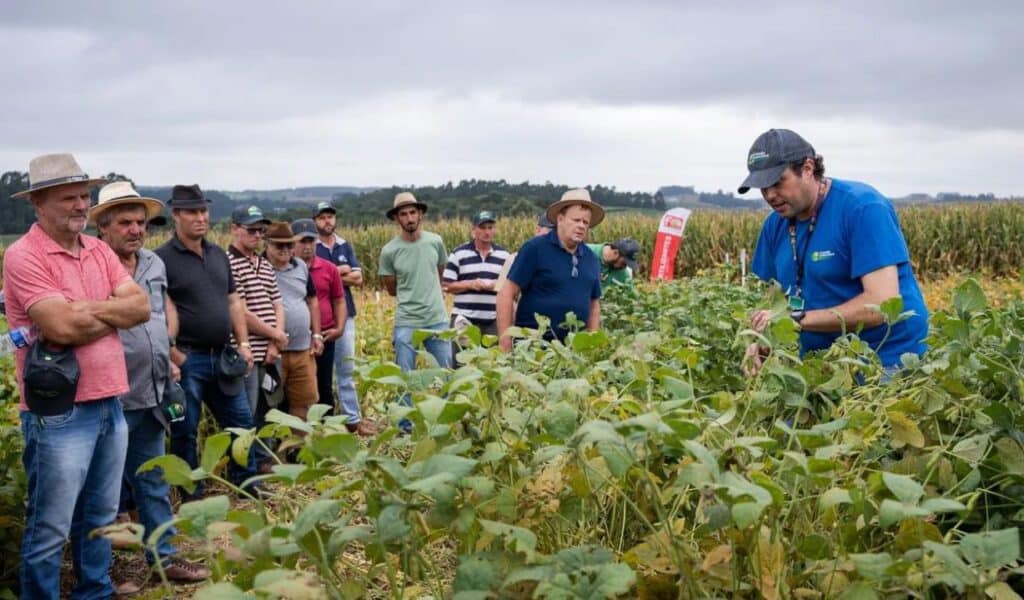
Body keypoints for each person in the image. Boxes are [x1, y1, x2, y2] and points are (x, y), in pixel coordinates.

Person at [4, 154, 150, 598]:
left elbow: (140, 307)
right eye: (68, 197)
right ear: (39, 203)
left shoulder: (98, 248)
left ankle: (95, 591)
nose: (80, 205)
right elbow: (61, 327)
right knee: (50, 525)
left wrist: (84, 309)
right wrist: (110, 313)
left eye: (83, 195)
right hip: (59, 413)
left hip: (110, 401)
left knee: (101, 515)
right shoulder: (23, 256)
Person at [91, 181, 210, 584]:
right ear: (102, 227)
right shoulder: (89, 265)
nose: (135, 229)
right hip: (108, 394)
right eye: (125, 222)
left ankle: (164, 561)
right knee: (101, 491)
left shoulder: (153, 265)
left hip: (153, 390)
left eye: (140, 222)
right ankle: (97, 577)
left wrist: (167, 355)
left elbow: (158, 315)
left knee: (153, 479)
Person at [739, 128, 929, 376]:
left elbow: (882, 304)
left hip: (885, 357)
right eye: (762, 187)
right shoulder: (775, 226)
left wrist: (796, 320)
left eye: (777, 182)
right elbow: (776, 301)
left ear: (807, 168)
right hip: (821, 360)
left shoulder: (862, 208)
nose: (770, 195)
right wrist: (763, 341)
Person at [155, 184, 259, 495]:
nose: (200, 217)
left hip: (224, 355)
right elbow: (159, 310)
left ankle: (247, 485)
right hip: (189, 358)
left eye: (203, 211)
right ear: (176, 215)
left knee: (241, 424)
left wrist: (243, 344)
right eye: (192, 212)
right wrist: (174, 355)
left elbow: (233, 301)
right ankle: (191, 494)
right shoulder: (162, 260)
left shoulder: (217, 254)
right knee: (185, 429)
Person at [497, 189, 603, 350]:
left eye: (585, 222)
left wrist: (593, 345)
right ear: (560, 219)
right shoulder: (535, 248)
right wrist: (505, 341)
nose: (581, 226)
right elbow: (507, 293)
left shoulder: (591, 258)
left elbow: (594, 305)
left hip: (573, 352)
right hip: (534, 348)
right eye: (576, 220)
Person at [293, 219, 361, 432]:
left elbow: (339, 300)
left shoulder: (329, 269)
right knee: (298, 390)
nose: (307, 246)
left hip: (324, 336)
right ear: (292, 243)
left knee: (324, 385)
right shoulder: (286, 270)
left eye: (311, 241)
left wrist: (340, 328)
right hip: (295, 341)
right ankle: (298, 434)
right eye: (302, 241)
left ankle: (328, 430)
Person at [313, 201, 373, 434]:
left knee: (346, 369)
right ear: (315, 221)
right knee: (321, 372)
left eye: (330, 216)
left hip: (345, 314)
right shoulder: (312, 246)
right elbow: (312, 274)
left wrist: (329, 274)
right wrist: (340, 271)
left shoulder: (344, 244)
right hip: (320, 318)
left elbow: (358, 278)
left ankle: (352, 419)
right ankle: (323, 421)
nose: (327, 221)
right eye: (322, 217)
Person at [379, 192, 452, 372]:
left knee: (447, 375)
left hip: (437, 319)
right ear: (396, 218)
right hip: (407, 321)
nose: (409, 218)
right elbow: (392, 289)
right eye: (403, 214)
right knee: (405, 379)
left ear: (420, 214)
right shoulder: (389, 251)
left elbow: (441, 272)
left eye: (412, 212)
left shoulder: (435, 242)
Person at [227, 205, 285, 418]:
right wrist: (276, 334)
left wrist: (275, 341)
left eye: (261, 230)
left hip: (271, 352)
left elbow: (278, 304)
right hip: (247, 353)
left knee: (271, 413)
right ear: (234, 229)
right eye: (251, 230)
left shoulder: (265, 264)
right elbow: (241, 312)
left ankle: (268, 453)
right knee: (248, 416)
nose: (257, 235)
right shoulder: (228, 262)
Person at [264, 222, 324, 421]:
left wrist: (316, 334)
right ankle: (273, 449)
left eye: (289, 245)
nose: (285, 250)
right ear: (267, 245)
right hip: (270, 352)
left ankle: (297, 449)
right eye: (279, 246)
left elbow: (312, 300)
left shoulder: (300, 267)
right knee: (269, 404)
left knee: (304, 403)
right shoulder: (258, 267)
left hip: (302, 350)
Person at [443, 211, 511, 361]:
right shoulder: (459, 254)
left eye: (490, 227)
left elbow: (510, 287)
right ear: (473, 230)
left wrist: (496, 285)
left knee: (492, 365)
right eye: (483, 228)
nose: (487, 232)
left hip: (493, 320)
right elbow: (447, 286)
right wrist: (470, 284)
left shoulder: (504, 256)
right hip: (464, 319)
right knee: (461, 363)